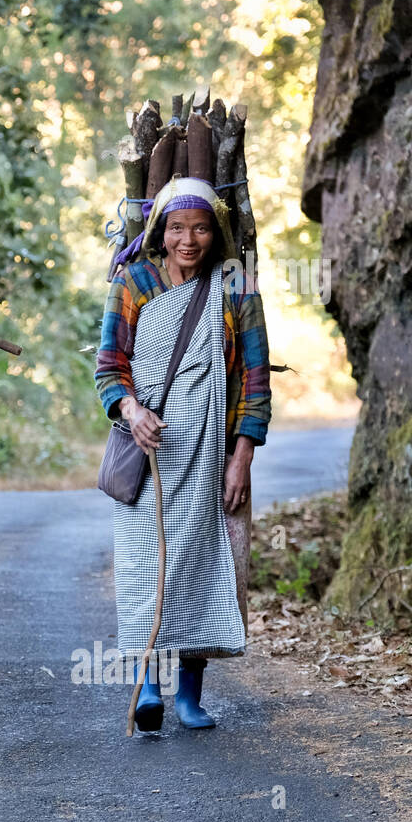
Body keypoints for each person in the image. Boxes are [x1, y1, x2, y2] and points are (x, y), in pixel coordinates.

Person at [95, 176, 271, 730]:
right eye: (176, 228)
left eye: (199, 228)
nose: (187, 240)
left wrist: (241, 456)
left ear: (216, 232)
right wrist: (131, 410)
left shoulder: (235, 286)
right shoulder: (133, 282)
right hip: (148, 455)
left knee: (200, 566)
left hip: (212, 456)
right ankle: (148, 684)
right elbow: (108, 367)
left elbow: (255, 378)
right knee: (147, 568)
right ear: (160, 231)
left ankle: (190, 695)